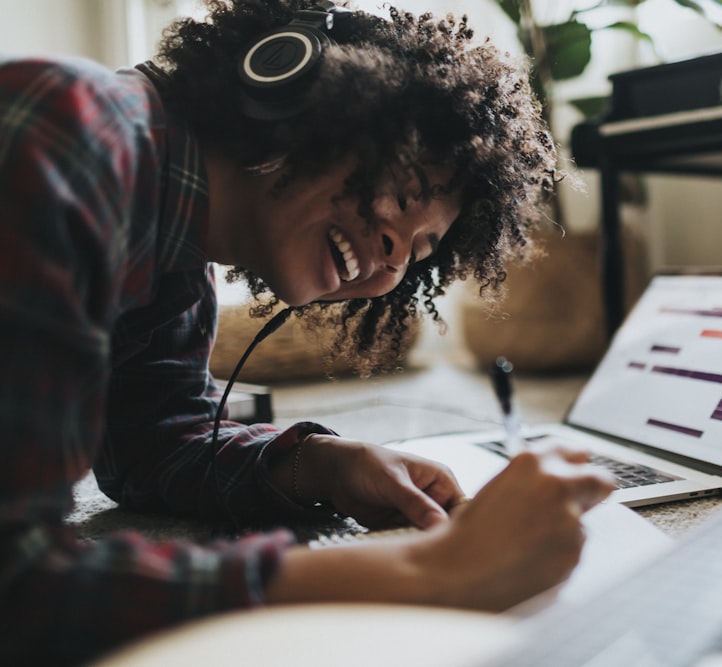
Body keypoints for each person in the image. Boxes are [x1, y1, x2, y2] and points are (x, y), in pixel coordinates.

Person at [0, 1, 616, 664]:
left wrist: (323, 464)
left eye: (422, 250)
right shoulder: (73, 131)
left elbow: (151, 444)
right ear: (292, 89)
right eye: (405, 190)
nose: (392, 258)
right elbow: (19, 585)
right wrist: (430, 574)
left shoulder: (173, 252)